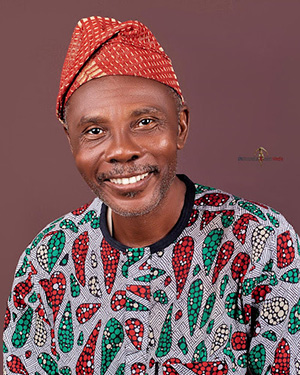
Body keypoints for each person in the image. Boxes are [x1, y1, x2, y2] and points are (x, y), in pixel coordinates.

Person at [3, 16, 300, 375]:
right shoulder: (46, 261)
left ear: (181, 127)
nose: (122, 150)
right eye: (95, 130)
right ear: (71, 142)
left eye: (145, 122)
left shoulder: (260, 243)